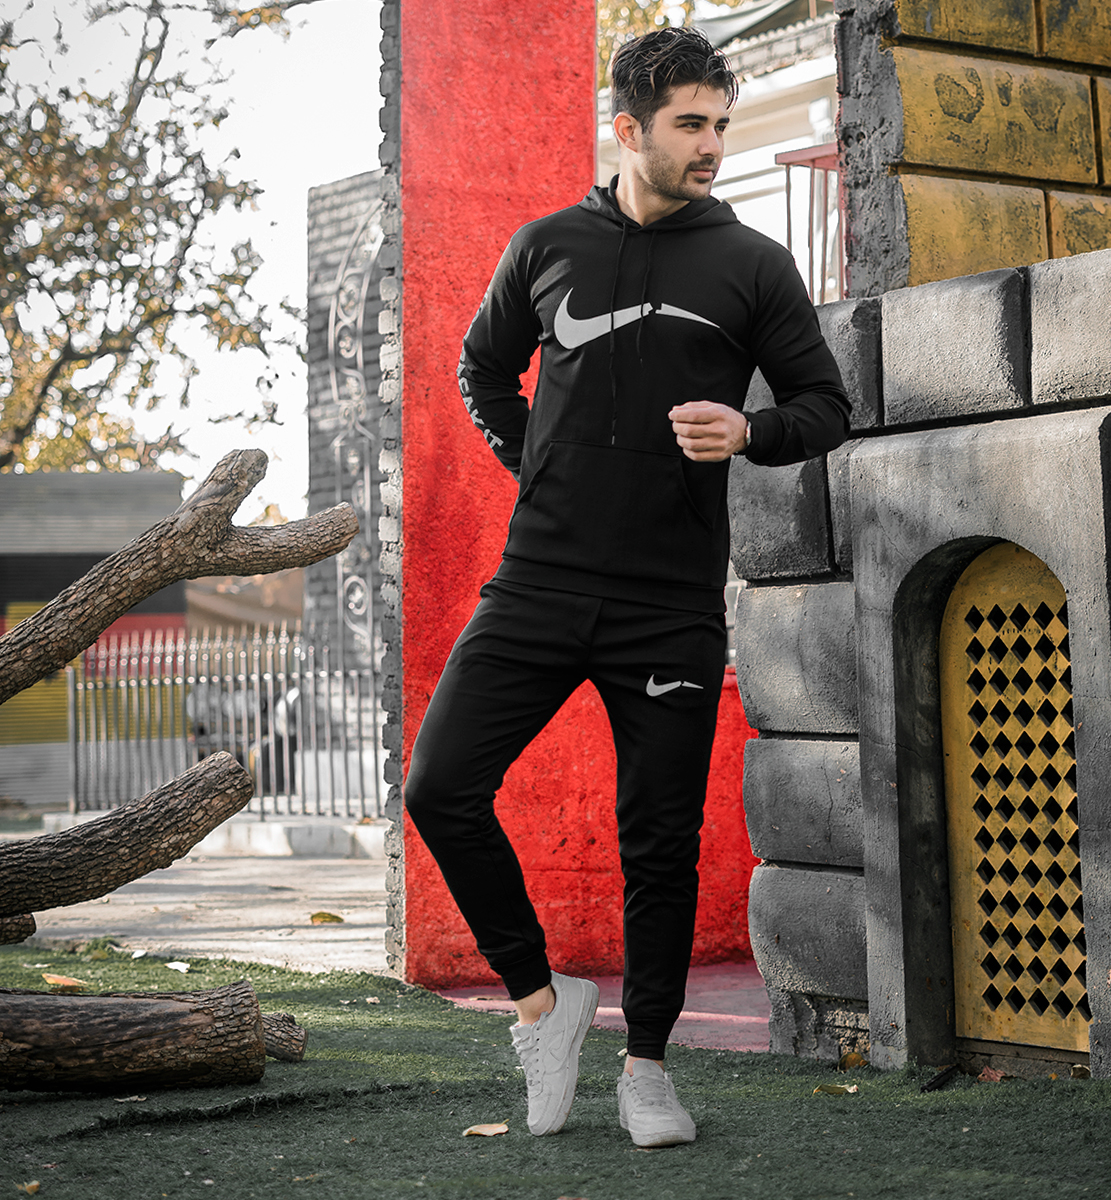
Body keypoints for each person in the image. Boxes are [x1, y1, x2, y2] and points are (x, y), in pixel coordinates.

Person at [403, 26, 850, 1147]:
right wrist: (541, 466)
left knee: (658, 841)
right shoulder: (546, 245)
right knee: (440, 788)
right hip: (539, 581)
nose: (712, 146)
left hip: (668, 600)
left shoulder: (752, 264)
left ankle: (647, 1068)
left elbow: (825, 406)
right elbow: (480, 367)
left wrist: (749, 430)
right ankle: (542, 1006)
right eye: (691, 124)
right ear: (629, 129)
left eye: (721, 125)